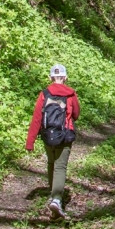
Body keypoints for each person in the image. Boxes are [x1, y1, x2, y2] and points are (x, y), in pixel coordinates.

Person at [25, 63, 80, 219]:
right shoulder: (71, 94)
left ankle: (52, 196)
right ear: (65, 77)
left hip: (48, 135)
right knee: (60, 166)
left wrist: (30, 142)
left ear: (51, 77)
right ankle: (56, 199)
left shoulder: (44, 94)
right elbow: (76, 114)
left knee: (51, 163)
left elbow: (37, 119)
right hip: (65, 134)